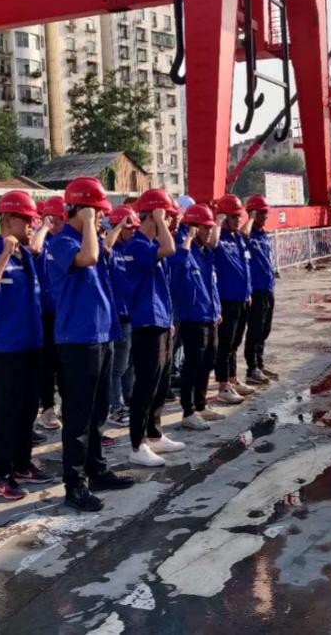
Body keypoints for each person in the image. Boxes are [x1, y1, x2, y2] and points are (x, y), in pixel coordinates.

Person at [45, 177, 134, 512]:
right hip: (78, 340)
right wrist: (86, 221)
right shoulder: (63, 242)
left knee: (98, 412)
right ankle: (75, 483)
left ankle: (96, 469)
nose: (102, 219)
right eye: (97, 212)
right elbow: (89, 257)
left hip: (100, 336)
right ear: (81, 210)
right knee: (79, 417)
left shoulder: (87, 238)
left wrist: (91, 224)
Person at [0, 191, 55, 501]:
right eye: (28, 220)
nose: (32, 225)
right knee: (7, 414)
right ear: (8, 220)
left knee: (27, 410)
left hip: (32, 344)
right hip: (4, 349)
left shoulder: (28, 258)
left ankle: (22, 464)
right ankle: (2, 474)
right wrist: (5, 253)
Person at [120, 189, 183, 468]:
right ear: (153, 215)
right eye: (166, 216)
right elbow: (170, 248)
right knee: (145, 384)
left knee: (161, 381)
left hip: (161, 320)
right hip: (146, 322)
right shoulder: (137, 245)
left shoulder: (151, 244)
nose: (169, 222)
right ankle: (138, 444)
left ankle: (154, 433)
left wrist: (169, 321)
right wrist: (159, 219)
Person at [170, 203, 226, 431]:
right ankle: (188, 411)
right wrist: (188, 238)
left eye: (211, 228)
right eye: (206, 228)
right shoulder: (184, 249)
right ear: (194, 228)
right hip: (193, 317)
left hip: (210, 315)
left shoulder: (205, 253)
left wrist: (217, 309)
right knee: (192, 365)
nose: (210, 232)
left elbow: (211, 284)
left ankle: (201, 405)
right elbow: (177, 266)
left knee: (208, 361)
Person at [212, 194, 254, 403]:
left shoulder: (237, 237)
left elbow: (244, 265)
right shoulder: (219, 237)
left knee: (235, 342)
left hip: (242, 298)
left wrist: (248, 294)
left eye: (239, 216)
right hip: (227, 299)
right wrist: (218, 221)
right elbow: (212, 244)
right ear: (224, 217)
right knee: (225, 344)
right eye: (233, 216)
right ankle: (223, 386)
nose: (238, 220)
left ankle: (232, 378)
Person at [105, 205, 139, 427]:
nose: (133, 231)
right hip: (118, 317)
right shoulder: (111, 250)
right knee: (117, 367)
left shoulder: (132, 248)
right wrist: (118, 227)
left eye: (135, 227)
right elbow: (105, 248)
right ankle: (115, 408)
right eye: (129, 228)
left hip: (133, 315)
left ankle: (129, 401)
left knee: (130, 365)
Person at [35, 196, 67, 432]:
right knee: (47, 364)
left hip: (64, 310)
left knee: (65, 362)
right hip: (44, 311)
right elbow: (34, 248)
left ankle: (67, 404)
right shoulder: (42, 240)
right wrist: (44, 227)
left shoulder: (67, 241)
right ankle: (47, 408)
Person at [243, 194, 279, 387]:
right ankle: (252, 368)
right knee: (255, 329)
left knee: (265, 328)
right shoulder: (249, 234)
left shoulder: (263, 235)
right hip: (255, 289)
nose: (266, 216)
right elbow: (243, 236)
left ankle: (260, 363)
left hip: (267, 287)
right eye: (262, 213)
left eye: (266, 212)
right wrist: (250, 218)